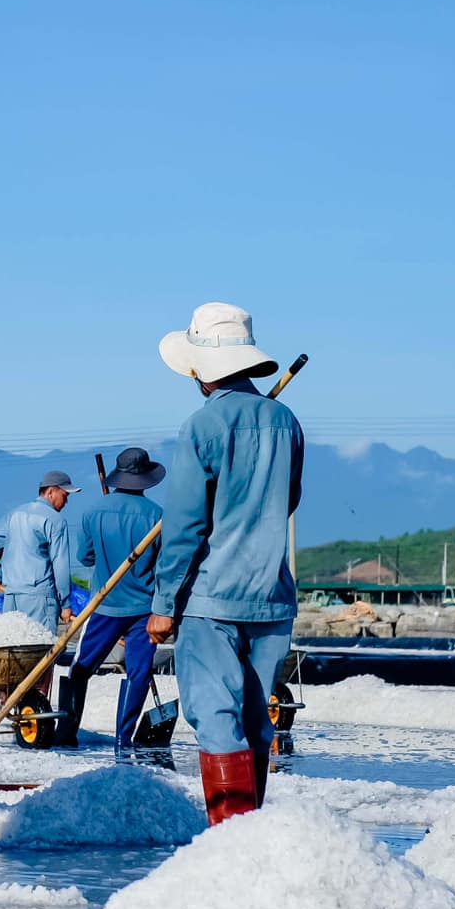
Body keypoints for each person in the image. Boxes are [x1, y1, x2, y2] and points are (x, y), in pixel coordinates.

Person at [147, 302, 303, 825]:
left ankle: (231, 839)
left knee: (217, 719)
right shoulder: (287, 422)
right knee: (257, 723)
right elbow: (289, 500)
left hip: (212, 598)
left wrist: (164, 603)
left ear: (201, 369)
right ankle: (250, 835)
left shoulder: (201, 427)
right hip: (271, 597)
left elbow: (186, 526)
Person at [59, 447, 164, 753]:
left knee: (81, 669)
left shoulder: (95, 511)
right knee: (138, 673)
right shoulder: (157, 516)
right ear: (145, 479)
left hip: (104, 605)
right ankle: (123, 739)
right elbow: (165, 564)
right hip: (145, 608)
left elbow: (85, 556)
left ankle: (67, 730)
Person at [0, 470, 78, 635]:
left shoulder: (14, 514)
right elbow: (60, 566)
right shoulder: (55, 520)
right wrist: (66, 604)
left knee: (13, 649)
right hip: (40, 599)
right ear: (51, 492)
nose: (66, 501)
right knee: (40, 650)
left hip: (11, 597)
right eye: (65, 495)